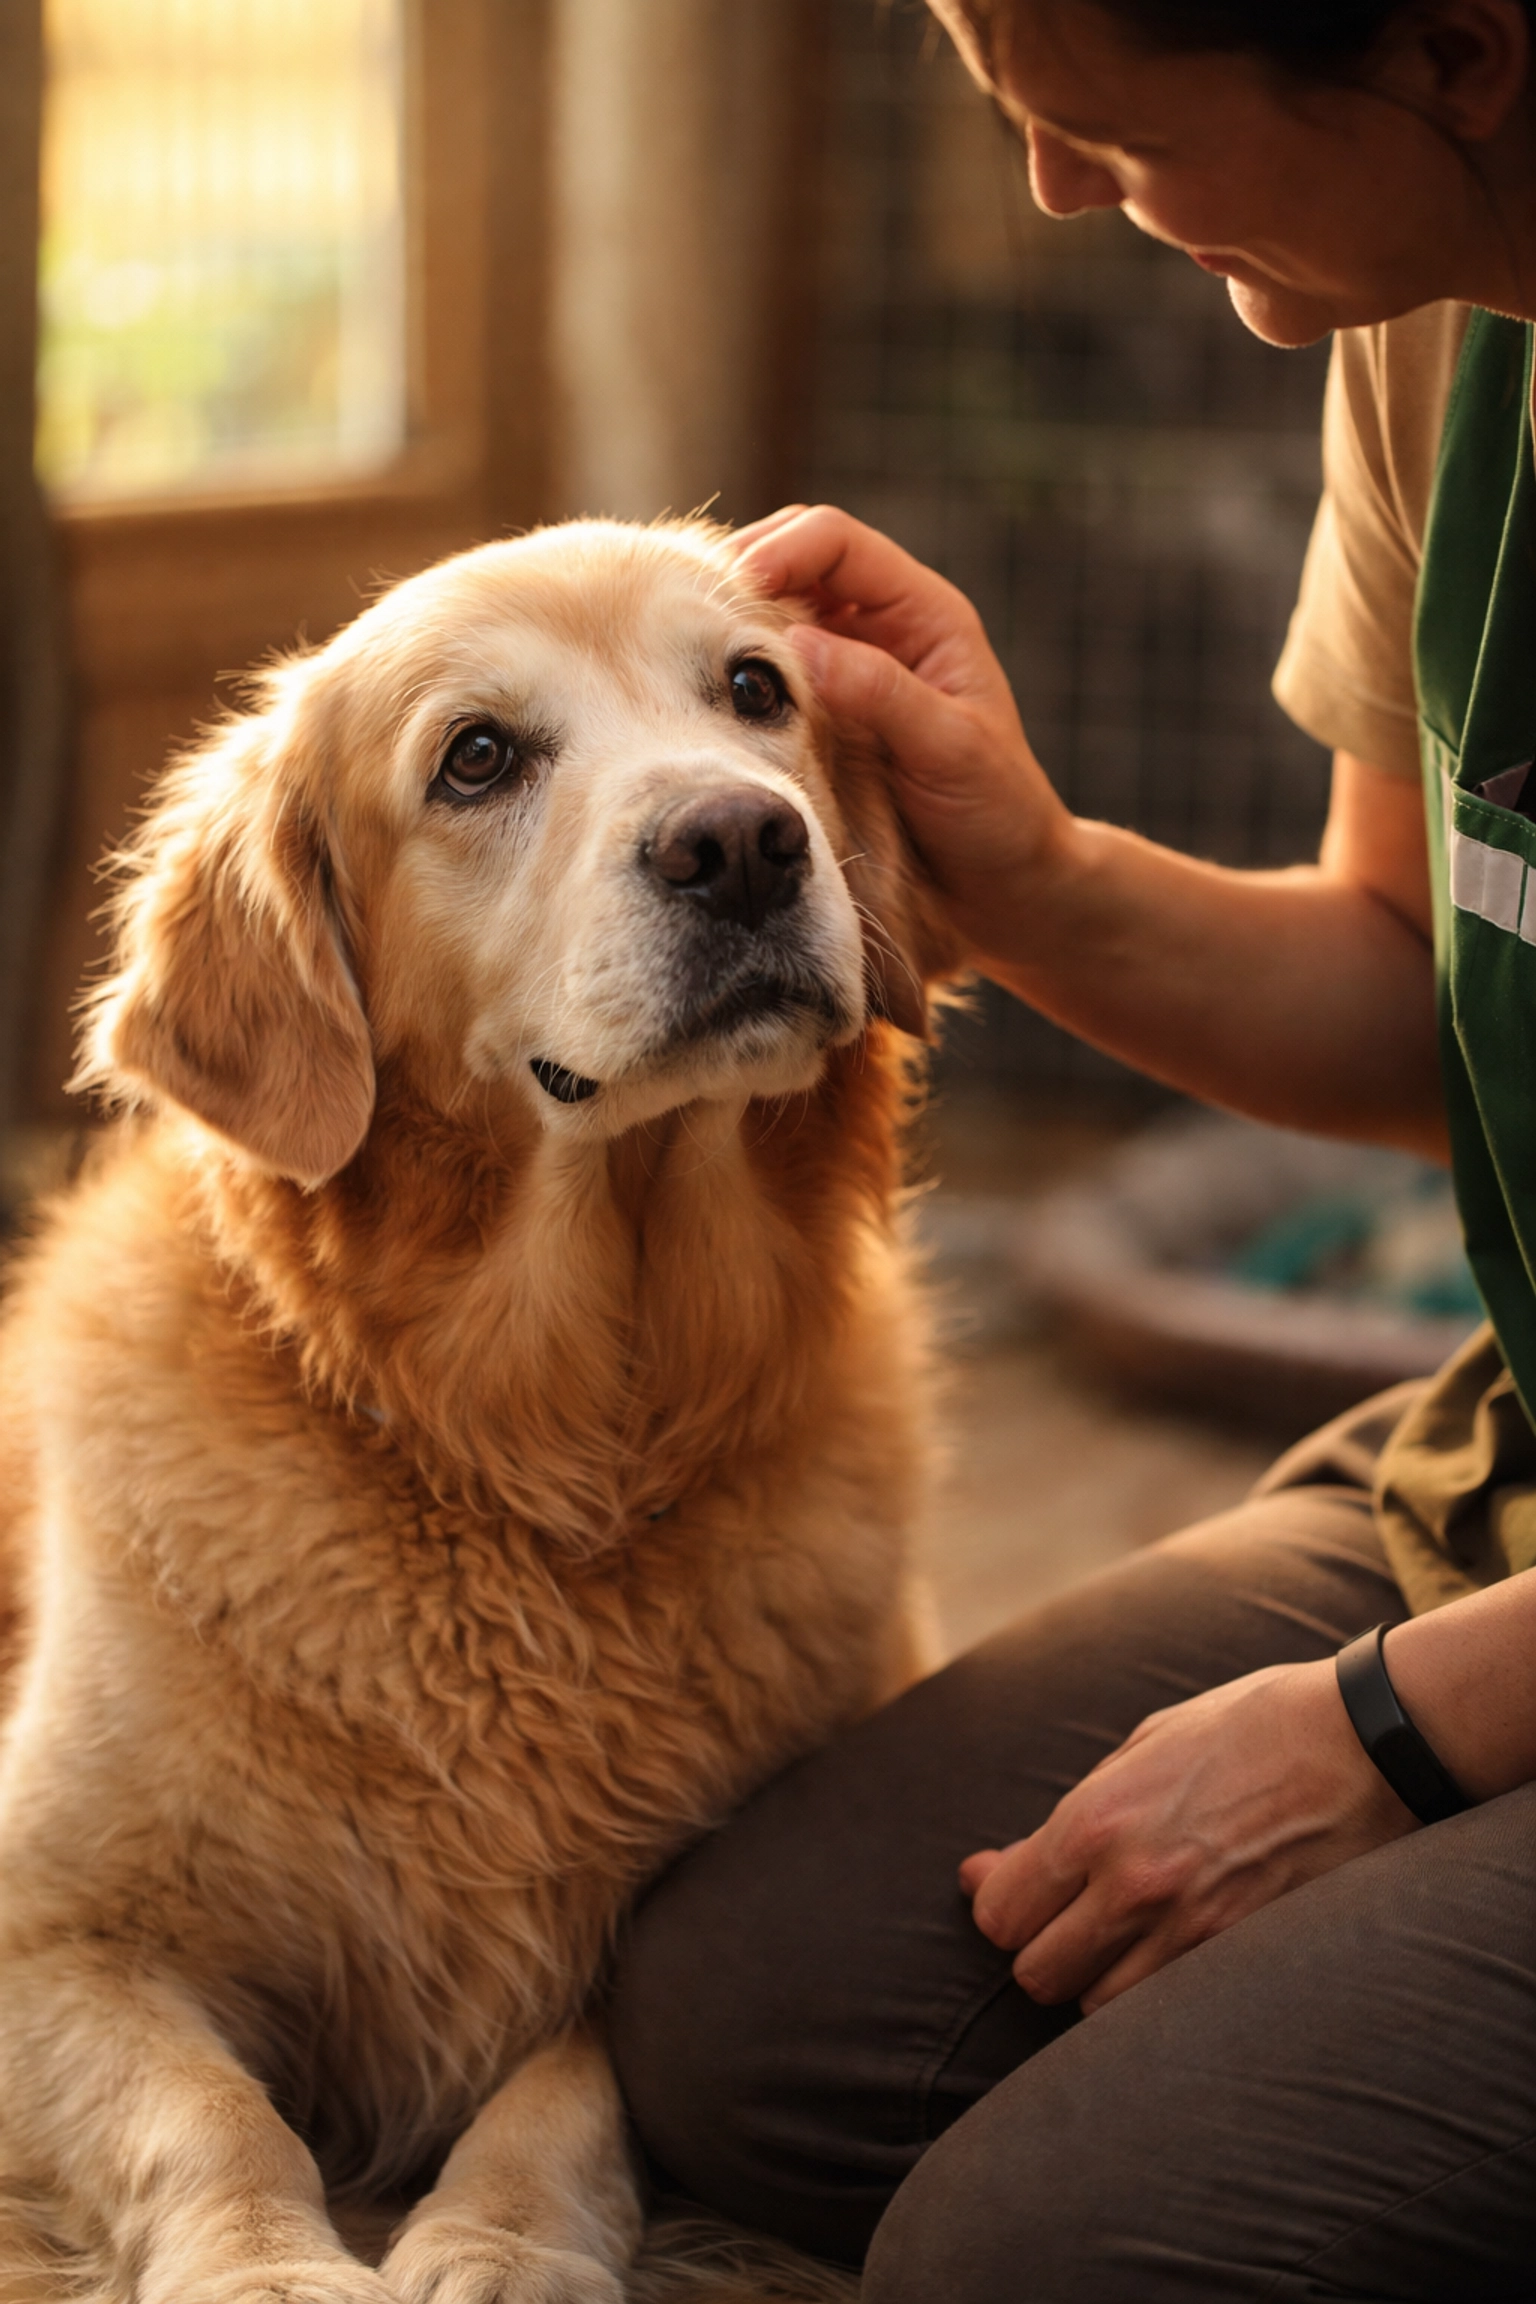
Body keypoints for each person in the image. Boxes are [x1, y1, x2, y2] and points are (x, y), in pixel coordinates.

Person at [606, 4, 1536, 2297]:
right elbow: (1420, 988)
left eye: (1102, 125)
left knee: (1046, 2251)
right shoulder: (1440, 338)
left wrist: (1391, 1737)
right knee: (736, 2033)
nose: (1043, 188)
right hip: (1504, 1477)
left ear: (1453, 53)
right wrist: (1012, 870)